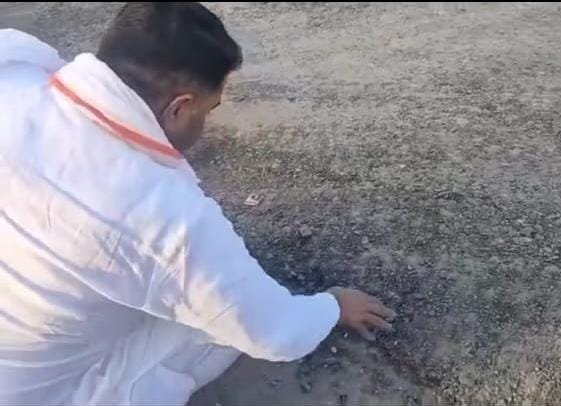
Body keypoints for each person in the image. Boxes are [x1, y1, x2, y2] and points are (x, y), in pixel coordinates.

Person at [0, 3, 395, 405]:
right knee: (215, 322)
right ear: (179, 108)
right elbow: (274, 333)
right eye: (209, 110)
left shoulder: (12, 73)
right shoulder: (167, 216)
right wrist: (331, 308)